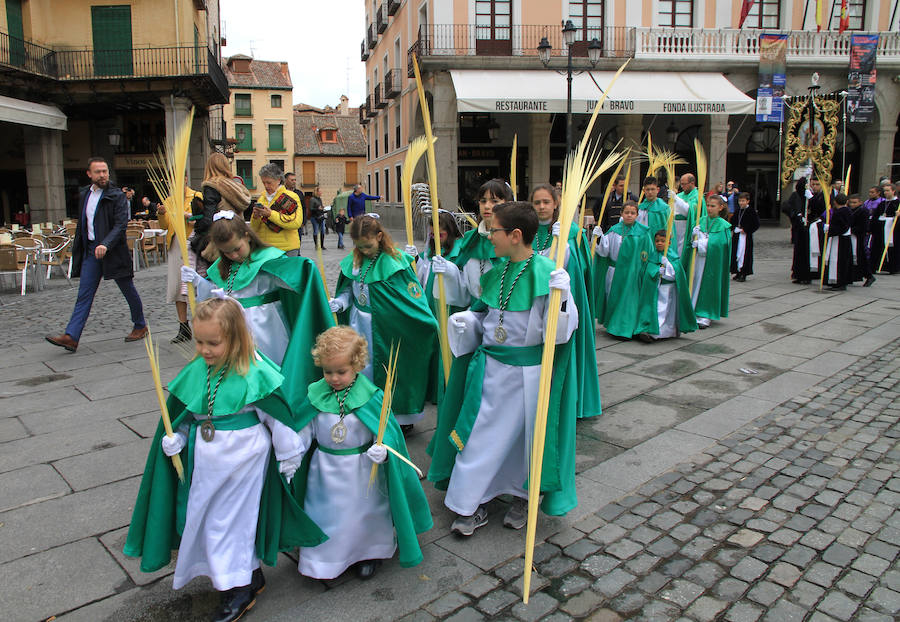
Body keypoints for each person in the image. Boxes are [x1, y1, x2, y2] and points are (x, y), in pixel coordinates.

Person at [123, 297, 327, 622]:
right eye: (199, 341)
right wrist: (178, 438)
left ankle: (238, 588)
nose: (204, 350)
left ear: (235, 338)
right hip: (207, 463)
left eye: (213, 343)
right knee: (206, 519)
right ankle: (248, 575)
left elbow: (276, 418)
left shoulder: (253, 371)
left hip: (245, 459)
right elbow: (187, 417)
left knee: (230, 523)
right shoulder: (197, 372)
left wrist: (289, 453)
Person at [427, 201, 578, 535]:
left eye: (495, 230)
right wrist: (466, 319)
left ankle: (523, 497)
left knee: (524, 442)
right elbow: (486, 315)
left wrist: (563, 298)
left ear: (515, 235)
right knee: (479, 437)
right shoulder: (498, 271)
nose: (488, 234)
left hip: (527, 378)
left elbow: (562, 333)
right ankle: (470, 503)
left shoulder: (546, 275)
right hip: (490, 372)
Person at [291, 326, 432, 580]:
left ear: (356, 365)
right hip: (324, 472)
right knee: (326, 514)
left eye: (341, 371)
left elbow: (388, 435)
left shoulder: (369, 397)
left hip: (362, 470)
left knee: (365, 513)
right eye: (327, 371)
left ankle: (369, 553)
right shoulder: (316, 393)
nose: (333, 378)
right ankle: (323, 559)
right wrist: (292, 450)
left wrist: (384, 450)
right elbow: (306, 428)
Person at [181, 212, 334, 410]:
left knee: (270, 366)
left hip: (266, 324)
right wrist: (197, 281)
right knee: (241, 369)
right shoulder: (224, 266)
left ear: (247, 235)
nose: (234, 256)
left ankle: (278, 411)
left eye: (237, 249)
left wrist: (302, 270)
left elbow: (292, 279)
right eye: (226, 252)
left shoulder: (267, 260)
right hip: (234, 327)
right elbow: (215, 293)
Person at [330, 214, 441, 430]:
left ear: (379, 236)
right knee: (361, 371)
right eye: (359, 246)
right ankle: (364, 413)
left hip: (389, 330)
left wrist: (426, 323)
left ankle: (399, 419)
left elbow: (410, 299)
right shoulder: (355, 261)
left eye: (368, 245)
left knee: (392, 372)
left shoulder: (396, 262)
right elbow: (349, 291)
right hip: (358, 327)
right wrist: (340, 303)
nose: (364, 251)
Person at [46, 157, 147, 352]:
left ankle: (140, 324)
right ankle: (72, 336)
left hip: (113, 252)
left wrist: (106, 244)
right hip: (92, 252)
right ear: (89, 174)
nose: (102, 175)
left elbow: (120, 224)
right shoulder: (85, 194)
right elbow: (84, 225)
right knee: (84, 293)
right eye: (98, 172)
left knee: (128, 289)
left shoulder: (116, 195)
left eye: (105, 171)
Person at [530, 183, 601, 419]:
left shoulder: (569, 231)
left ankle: (567, 402)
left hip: (561, 300)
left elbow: (579, 269)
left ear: (556, 204)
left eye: (546, 202)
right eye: (537, 202)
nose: (541, 207)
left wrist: (565, 246)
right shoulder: (528, 230)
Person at [434, 179, 509, 306]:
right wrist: (450, 271)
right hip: (473, 314)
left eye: (494, 201)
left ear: (507, 203)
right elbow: (464, 286)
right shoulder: (471, 239)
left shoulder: (513, 240)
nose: (487, 206)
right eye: (483, 201)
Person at [592, 201, 652, 338]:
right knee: (614, 298)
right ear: (621, 214)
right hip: (614, 271)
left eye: (632, 213)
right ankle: (615, 326)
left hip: (633, 272)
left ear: (637, 215)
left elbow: (647, 252)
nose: (629, 215)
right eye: (627, 212)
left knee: (629, 301)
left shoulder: (643, 232)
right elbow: (603, 251)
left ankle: (627, 328)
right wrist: (599, 237)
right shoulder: (614, 231)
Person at [156, 179, 203, 343]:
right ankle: (183, 326)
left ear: (185, 180)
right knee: (177, 285)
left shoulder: (196, 196)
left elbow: (203, 219)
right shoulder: (169, 200)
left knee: (194, 284)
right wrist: (161, 214)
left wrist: (189, 216)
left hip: (192, 242)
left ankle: (201, 323)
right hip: (175, 244)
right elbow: (164, 226)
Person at [636, 230, 697, 342]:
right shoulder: (652, 256)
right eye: (657, 241)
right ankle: (655, 332)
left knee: (669, 312)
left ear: (669, 242)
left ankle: (669, 331)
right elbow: (648, 272)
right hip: (658, 289)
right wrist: (657, 272)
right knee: (659, 310)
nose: (659, 243)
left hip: (670, 289)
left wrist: (667, 267)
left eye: (663, 241)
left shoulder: (673, 257)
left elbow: (676, 274)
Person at [195, 152, 252, 267]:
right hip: (237, 237)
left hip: (220, 239)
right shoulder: (235, 187)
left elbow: (208, 218)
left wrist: (197, 228)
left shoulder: (212, 186)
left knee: (215, 277)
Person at [687, 194, 732, 328]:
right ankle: (693, 309)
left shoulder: (723, 225)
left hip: (712, 262)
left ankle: (705, 313)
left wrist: (702, 243)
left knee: (709, 286)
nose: (710, 208)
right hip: (698, 261)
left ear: (720, 208)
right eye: (708, 205)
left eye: (713, 206)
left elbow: (720, 244)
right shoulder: (700, 221)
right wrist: (694, 234)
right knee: (695, 284)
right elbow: (692, 241)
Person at [250, 164, 302, 256]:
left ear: (278, 180)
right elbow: (254, 228)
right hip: (265, 249)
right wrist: (256, 217)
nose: (266, 186)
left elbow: (296, 223)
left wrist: (270, 214)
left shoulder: (291, 197)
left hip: (286, 249)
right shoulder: (261, 198)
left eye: (269, 182)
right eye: (263, 182)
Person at [822, 193, 853, 290]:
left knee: (839, 261)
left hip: (840, 239)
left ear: (835, 202)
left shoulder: (840, 212)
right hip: (843, 238)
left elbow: (841, 227)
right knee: (839, 261)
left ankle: (840, 282)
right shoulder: (847, 211)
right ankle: (836, 281)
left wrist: (829, 228)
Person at [786, 178, 814, 284]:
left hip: (808, 227)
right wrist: (796, 215)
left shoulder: (810, 196)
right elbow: (788, 207)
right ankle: (798, 274)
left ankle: (806, 275)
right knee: (798, 251)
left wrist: (811, 199)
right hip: (799, 227)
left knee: (806, 251)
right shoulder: (795, 195)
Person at [730, 192, 760, 282]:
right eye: (740, 201)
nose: (741, 203)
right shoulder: (737, 211)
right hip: (737, 235)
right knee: (736, 254)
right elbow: (733, 221)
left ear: (748, 201)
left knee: (744, 255)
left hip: (745, 237)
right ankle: (737, 272)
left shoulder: (751, 211)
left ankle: (744, 273)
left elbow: (756, 224)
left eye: (743, 201)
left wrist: (746, 230)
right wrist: (733, 227)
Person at [848, 193, 876, 287]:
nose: (852, 204)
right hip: (852, 236)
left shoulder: (863, 211)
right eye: (851, 202)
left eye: (855, 202)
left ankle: (869, 275)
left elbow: (863, 226)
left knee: (861, 257)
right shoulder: (850, 210)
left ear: (860, 202)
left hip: (859, 237)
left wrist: (852, 230)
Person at [871, 183, 898, 275]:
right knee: (877, 247)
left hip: (892, 230)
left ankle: (892, 267)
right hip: (881, 228)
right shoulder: (882, 203)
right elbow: (876, 216)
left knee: (892, 248)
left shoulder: (897, 203)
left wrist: (896, 216)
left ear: (893, 191)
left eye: (887, 190)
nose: (885, 193)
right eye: (884, 191)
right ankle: (876, 266)